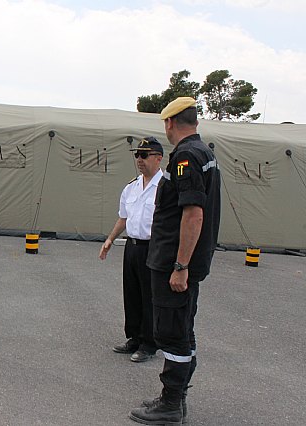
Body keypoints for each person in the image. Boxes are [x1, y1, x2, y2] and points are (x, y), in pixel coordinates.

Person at [129, 97, 221, 425]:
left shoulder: (185, 156)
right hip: (179, 261)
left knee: (171, 332)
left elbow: (193, 213)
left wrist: (180, 266)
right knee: (182, 329)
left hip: (173, 263)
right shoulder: (204, 153)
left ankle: (169, 404)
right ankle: (176, 398)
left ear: (169, 123)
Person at [99, 137, 163, 363]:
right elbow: (123, 218)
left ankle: (149, 343)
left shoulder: (165, 187)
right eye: (137, 155)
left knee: (150, 296)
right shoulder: (131, 187)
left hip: (153, 248)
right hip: (132, 246)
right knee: (132, 294)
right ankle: (134, 337)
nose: (139, 160)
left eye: (144, 155)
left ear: (158, 158)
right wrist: (109, 239)